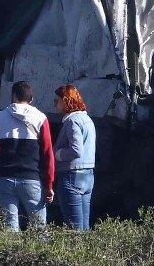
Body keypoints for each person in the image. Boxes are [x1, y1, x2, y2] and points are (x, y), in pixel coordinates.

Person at [0, 81, 55, 231]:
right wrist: (49, 185)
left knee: (10, 230)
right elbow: (47, 154)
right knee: (39, 230)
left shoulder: (0, 117)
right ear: (31, 99)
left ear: (13, 96)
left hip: (5, 180)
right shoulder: (40, 118)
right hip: (31, 179)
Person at [52, 84, 96, 231]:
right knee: (84, 226)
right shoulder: (87, 119)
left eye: (57, 101)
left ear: (66, 101)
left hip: (72, 176)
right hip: (87, 175)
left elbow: (76, 150)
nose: (54, 104)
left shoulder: (72, 121)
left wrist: (57, 154)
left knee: (74, 228)